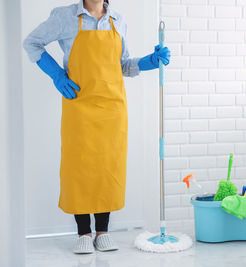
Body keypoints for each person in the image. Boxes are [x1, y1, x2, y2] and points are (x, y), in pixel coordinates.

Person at [23, 0, 170, 254]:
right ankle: (83, 232)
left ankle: (102, 231)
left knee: (107, 167)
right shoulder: (64, 17)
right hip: (78, 105)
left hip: (112, 108)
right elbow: (31, 43)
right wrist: (57, 74)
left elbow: (122, 65)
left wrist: (150, 61)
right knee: (78, 167)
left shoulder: (118, 20)